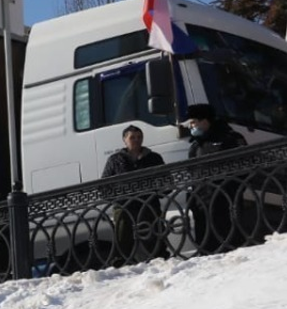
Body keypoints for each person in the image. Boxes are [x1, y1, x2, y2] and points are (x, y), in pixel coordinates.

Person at [184, 103, 249, 254]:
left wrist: (232, 190)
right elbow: (192, 173)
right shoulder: (195, 145)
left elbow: (245, 166)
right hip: (202, 205)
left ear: (204, 121)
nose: (191, 126)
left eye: (193, 122)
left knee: (230, 245)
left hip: (225, 200)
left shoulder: (229, 138)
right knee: (207, 249)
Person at [101, 125, 168, 262]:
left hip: (149, 205)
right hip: (124, 207)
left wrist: (156, 191)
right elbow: (104, 186)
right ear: (124, 140)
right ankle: (123, 265)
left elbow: (166, 181)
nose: (136, 140)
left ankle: (161, 262)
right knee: (123, 241)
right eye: (132, 137)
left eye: (139, 137)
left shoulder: (154, 157)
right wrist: (119, 198)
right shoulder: (115, 160)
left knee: (155, 242)